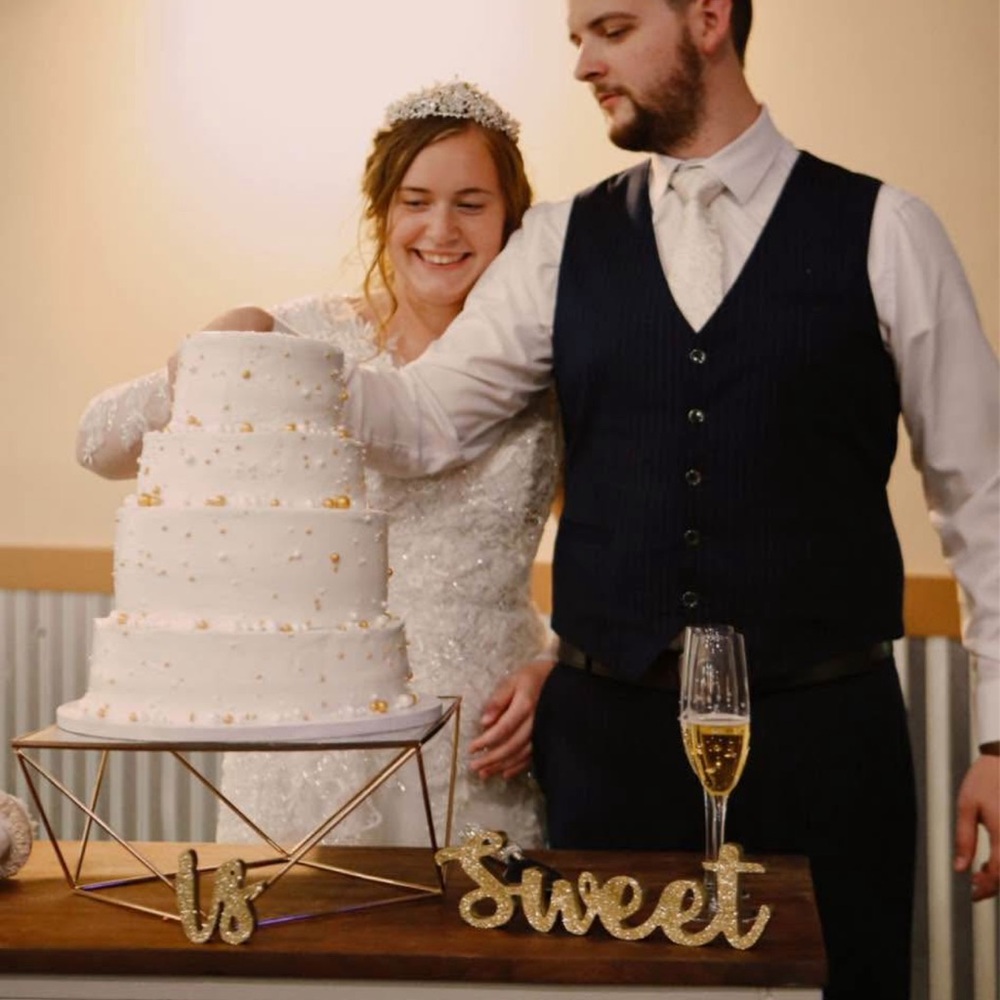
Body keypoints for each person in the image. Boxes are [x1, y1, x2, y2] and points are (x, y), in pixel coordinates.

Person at [337, 3, 1000, 998]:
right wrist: (259, 363)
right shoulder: (562, 240)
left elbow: (983, 497)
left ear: (706, 18)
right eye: (575, 39)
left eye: (609, 27)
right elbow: (424, 421)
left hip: (825, 739)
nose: (582, 64)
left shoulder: (887, 229)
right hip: (609, 745)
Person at [75, 81, 559, 848]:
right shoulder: (302, 338)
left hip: (486, 735)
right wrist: (209, 357)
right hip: (310, 727)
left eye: (471, 203)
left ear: (510, 221)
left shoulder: (546, 368)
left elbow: (619, 548)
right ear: (381, 212)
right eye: (416, 200)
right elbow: (97, 443)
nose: (441, 228)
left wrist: (556, 667)